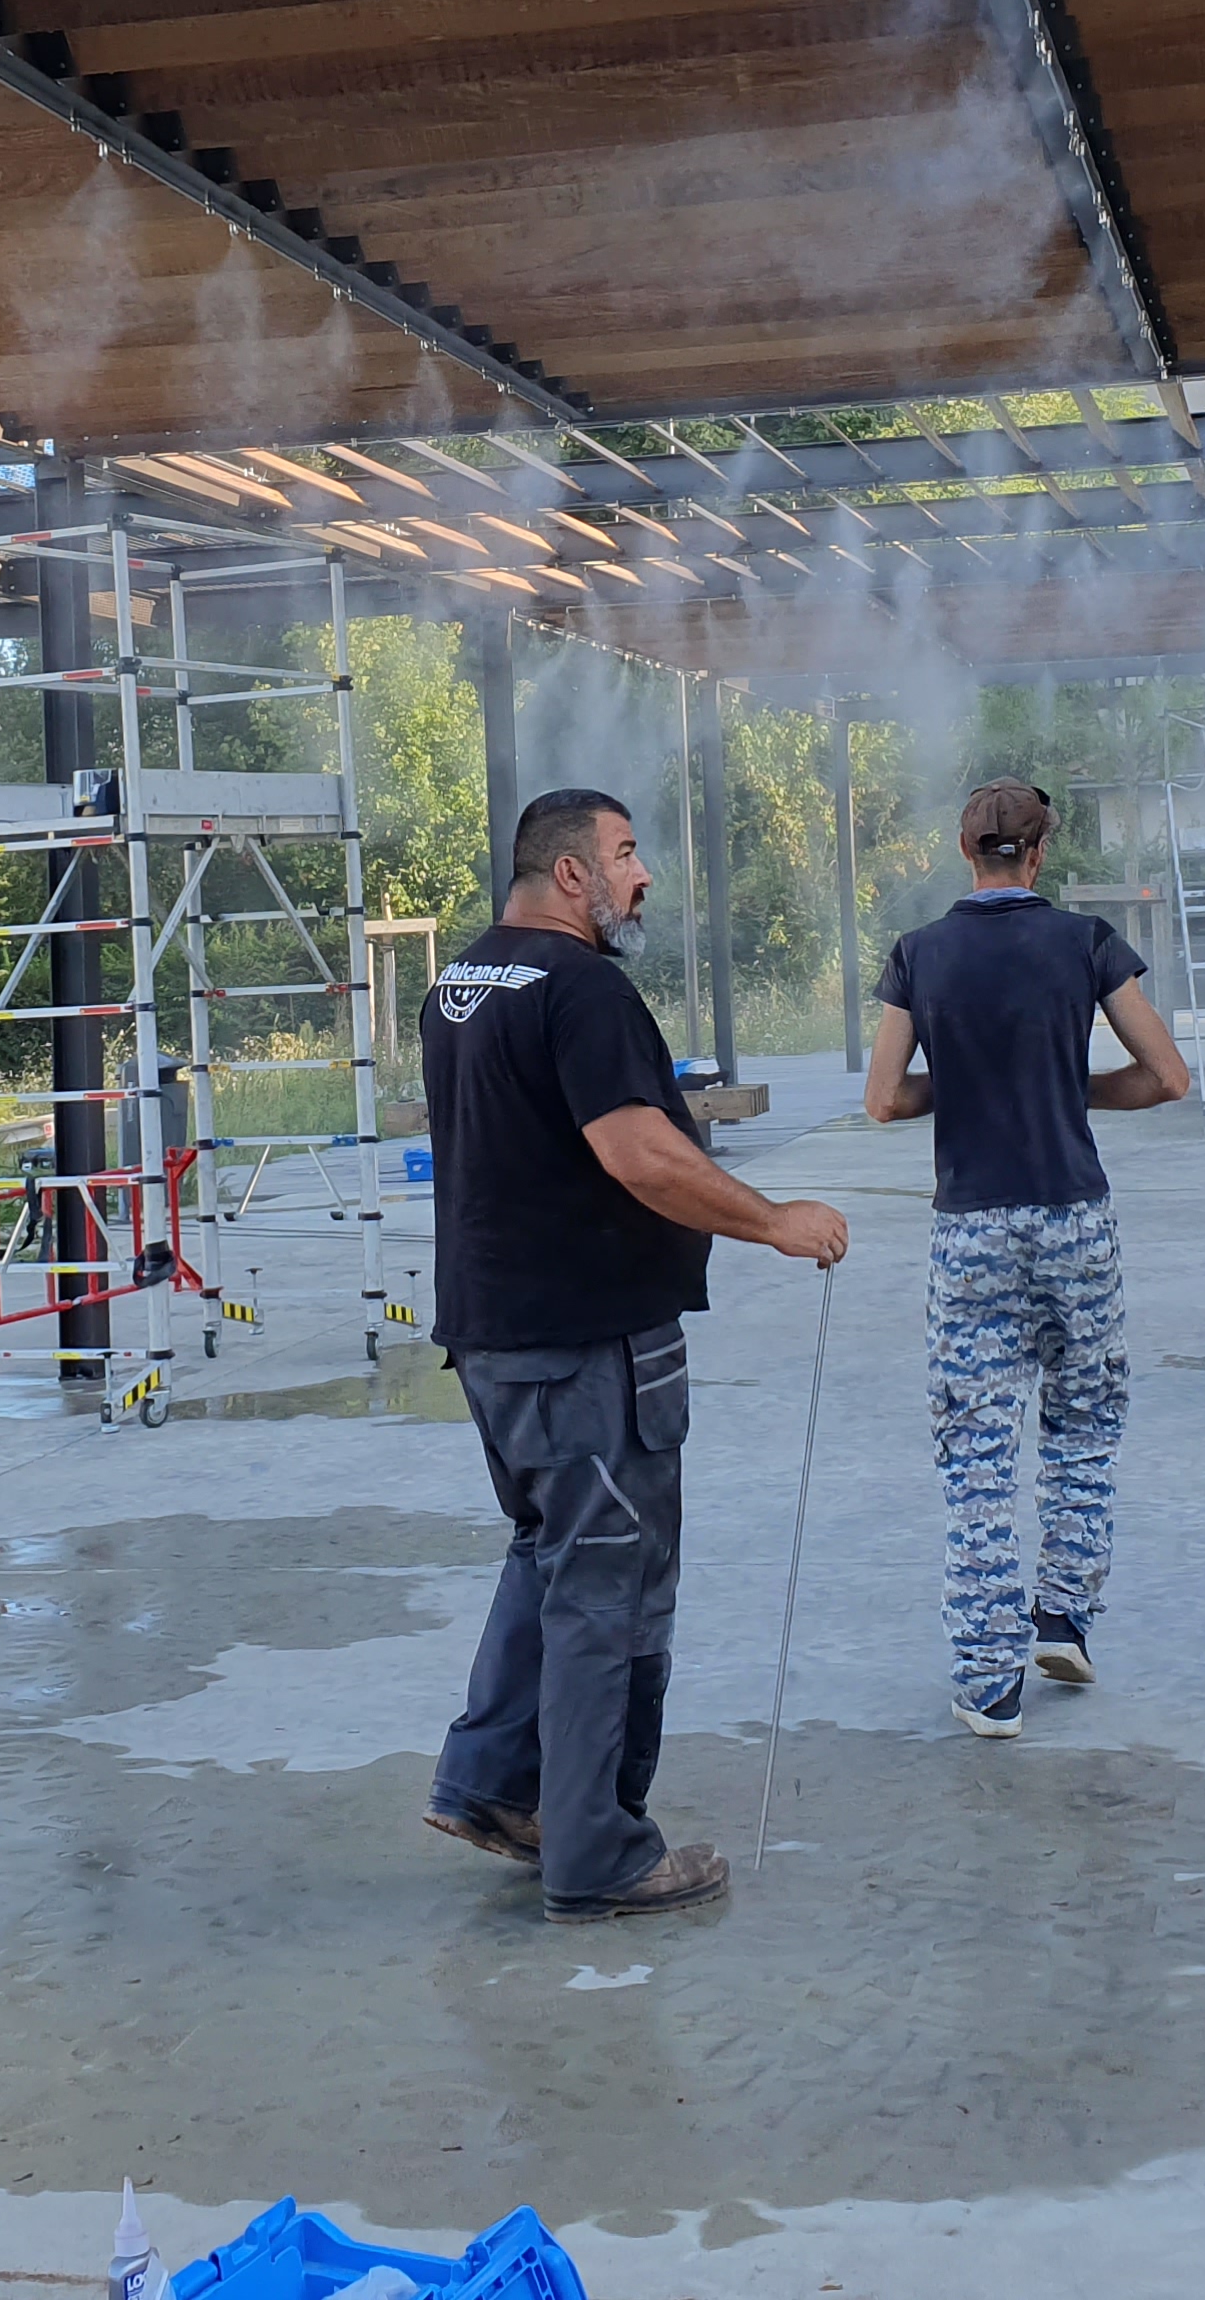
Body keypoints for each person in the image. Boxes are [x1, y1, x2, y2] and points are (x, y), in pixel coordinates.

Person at [420, 785, 850, 1921]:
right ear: (570, 874)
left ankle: (495, 1787)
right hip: (583, 1342)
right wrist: (773, 1220)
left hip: (493, 1333)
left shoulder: (464, 981)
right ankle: (598, 1852)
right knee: (609, 1585)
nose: (643, 873)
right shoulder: (583, 987)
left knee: (549, 1555)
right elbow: (639, 1153)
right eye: (623, 853)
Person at [863, 779, 1191, 1737]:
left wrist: (969, 1085)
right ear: (1040, 854)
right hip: (1074, 1221)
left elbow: (883, 1099)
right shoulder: (1086, 943)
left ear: (964, 850)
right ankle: (1063, 1617)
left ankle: (987, 1683)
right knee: (1084, 1421)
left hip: (972, 1229)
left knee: (976, 1452)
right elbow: (1168, 1077)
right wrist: (1060, 1084)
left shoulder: (919, 954)